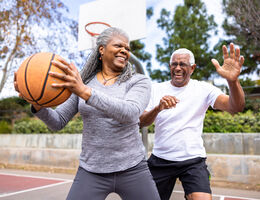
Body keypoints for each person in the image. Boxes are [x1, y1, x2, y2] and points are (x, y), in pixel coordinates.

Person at [14, 27, 160, 200]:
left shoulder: (138, 81)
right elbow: (57, 122)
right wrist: (36, 102)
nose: (124, 51)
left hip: (132, 167)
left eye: (127, 49)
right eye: (119, 45)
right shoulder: (82, 83)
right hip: (92, 170)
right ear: (102, 49)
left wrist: (85, 92)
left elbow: (130, 113)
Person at [139, 43, 245, 200]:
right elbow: (141, 122)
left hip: (193, 161)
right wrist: (158, 108)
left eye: (183, 64)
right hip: (161, 159)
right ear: (170, 66)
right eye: (174, 64)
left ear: (193, 68)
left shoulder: (203, 89)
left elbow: (235, 107)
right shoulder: (155, 89)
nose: (178, 68)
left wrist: (233, 81)